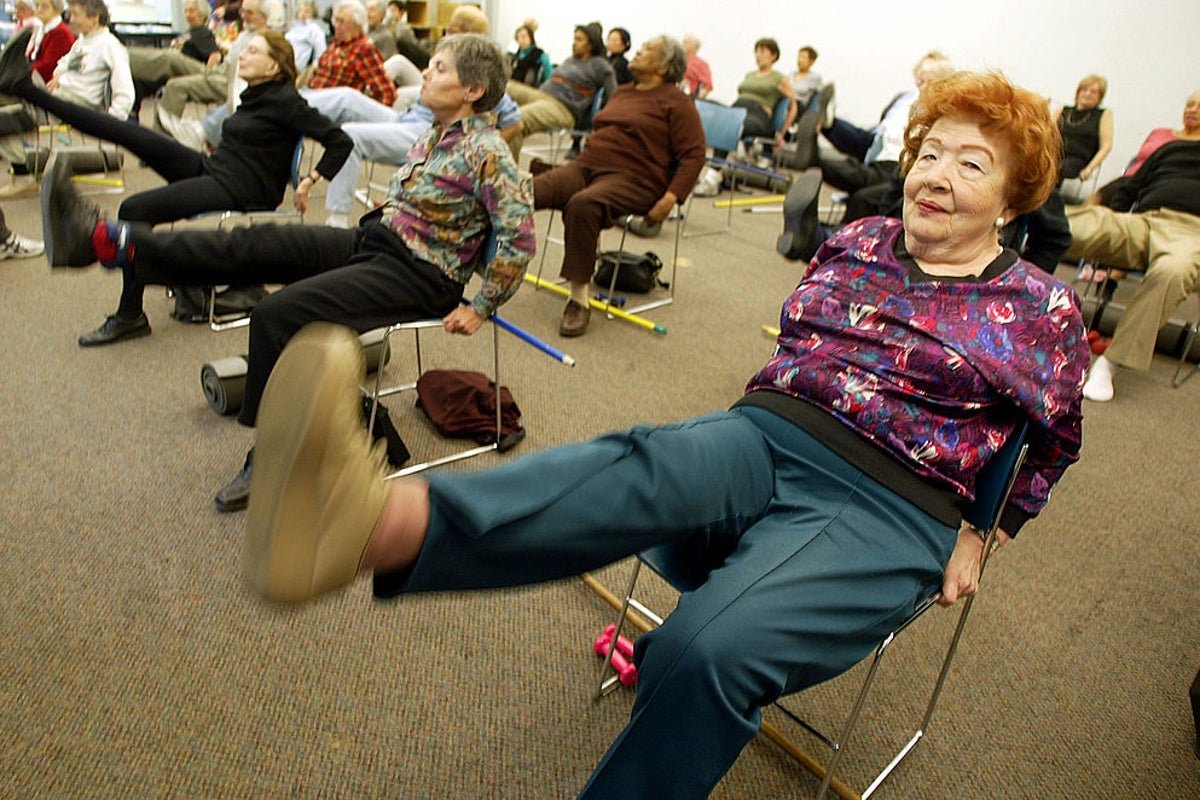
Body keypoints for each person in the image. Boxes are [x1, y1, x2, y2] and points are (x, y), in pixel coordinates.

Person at [237, 70, 1086, 799]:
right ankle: (367, 525)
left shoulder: (1041, 309)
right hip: (771, 433)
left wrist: (986, 533)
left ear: (1013, 198)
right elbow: (795, 351)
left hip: (895, 503)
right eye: (929, 152)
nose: (936, 174)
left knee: (704, 649)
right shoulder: (859, 240)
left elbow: (1051, 445)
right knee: (634, 466)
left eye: (971, 164)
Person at [40, 33, 534, 513]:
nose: (426, 72)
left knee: (276, 314)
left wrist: (480, 307)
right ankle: (108, 243)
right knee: (254, 243)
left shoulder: (488, 152)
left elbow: (519, 239)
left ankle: (272, 455)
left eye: (440, 68)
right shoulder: (435, 134)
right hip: (375, 245)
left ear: (473, 90)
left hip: (420, 276)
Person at [0, 27, 353, 345]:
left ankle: (129, 315)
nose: (243, 54)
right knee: (128, 131)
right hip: (215, 169)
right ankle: (25, 88)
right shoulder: (255, 94)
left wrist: (309, 181)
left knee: (135, 209)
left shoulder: (288, 102)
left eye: (254, 51)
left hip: (242, 188)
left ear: (274, 67)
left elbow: (339, 141)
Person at [533, 34, 704, 337]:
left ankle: (579, 301)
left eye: (646, 49)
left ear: (664, 67)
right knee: (527, 190)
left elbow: (694, 154)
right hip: (587, 165)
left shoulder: (677, 102)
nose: (637, 51)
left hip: (636, 178)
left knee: (583, 205)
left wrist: (671, 198)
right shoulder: (624, 91)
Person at [300, 4, 520, 228]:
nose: (448, 35)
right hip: (406, 118)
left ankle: (337, 220)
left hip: (422, 130)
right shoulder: (446, 66)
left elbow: (514, 123)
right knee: (347, 96)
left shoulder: (482, 82)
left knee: (349, 134)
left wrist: (468, 153)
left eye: (453, 31)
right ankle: (290, 102)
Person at [1069, 90, 1200, 403]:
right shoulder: (1170, 149)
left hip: (1191, 233)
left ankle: (1109, 364)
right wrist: (1106, 216)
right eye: (1189, 103)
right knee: (1069, 222)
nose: (1192, 109)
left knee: (1172, 271)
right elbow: (1129, 188)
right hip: (1144, 222)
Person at [0, 0, 133, 196]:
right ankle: (24, 172)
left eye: (76, 14)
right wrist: (62, 75)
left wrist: (111, 124)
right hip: (56, 99)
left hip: (72, 106)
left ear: (94, 17)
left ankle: (24, 177)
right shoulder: (84, 40)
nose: (71, 19)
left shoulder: (111, 47)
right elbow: (62, 64)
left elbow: (125, 90)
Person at [505, 23, 616, 150]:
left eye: (579, 40)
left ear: (591, 44)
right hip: (541, 95)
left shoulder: (601, 65)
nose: (574, 43)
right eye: (574, 39)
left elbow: (614, 95)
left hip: (562, 108)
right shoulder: (570, 60)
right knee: (501, 88)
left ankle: (503, 169)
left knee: (514, 121)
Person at [125, 0, 219, 119]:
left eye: (191, 11)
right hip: (167, 67)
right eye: (186, 11)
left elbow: (215, 55)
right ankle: (130, 116)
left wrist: (206, 76)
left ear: (202, 13)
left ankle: (131, 117)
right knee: (136, 78)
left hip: (176, 70)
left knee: (141, 78)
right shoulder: (189, 32)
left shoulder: (203, 33)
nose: (187, 15)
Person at [304, 0, 396, 108]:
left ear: (357, 25)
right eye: (335, 20)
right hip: (310, 95)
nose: (336, 26)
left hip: (330, 106)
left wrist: (367, 115)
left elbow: (387, 93)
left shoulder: (363, 49)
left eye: (342, 22)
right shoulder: (337, 44)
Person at [724, 37, 796, 158]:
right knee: (712, 113)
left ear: (773, 55)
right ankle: (714, 167)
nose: (758, 55)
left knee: (734, 124)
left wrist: (782, 133)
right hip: (737, 110)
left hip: (758, 116)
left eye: (762, 52)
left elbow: (793, 105)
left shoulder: (779, 78)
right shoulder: (749, 75)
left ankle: (737, 153)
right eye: (756, 52)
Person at [1056, 74, 1114, 205]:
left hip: (1078, 160)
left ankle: (1046, 204)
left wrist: (1089, 169)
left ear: (1100, 97)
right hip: (1055, 153)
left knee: (1056, 169)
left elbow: (1107, 146)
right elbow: (1047, 132)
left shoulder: (1103, 114)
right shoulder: (1063, 110)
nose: (1087, 94)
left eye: (1093, 92)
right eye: (1084, 90)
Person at [28, 0, 75, 84]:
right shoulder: (42, 29)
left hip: (46, 84)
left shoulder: (61, 33)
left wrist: (23, 71)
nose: (38, 9)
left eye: (44, 6)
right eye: (36, 6)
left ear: (57, 9)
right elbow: (31, 57)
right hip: (36, 78)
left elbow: (47, 68)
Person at [286, 0, 328, 72]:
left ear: (313, 13)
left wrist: (310, 71)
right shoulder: (293, 29)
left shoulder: (315, 30)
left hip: (301, 70)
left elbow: (321, 53)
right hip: (287, 64)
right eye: (301, 10)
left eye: (307, 11)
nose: (303, 14)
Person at [680, 33, 711, 99]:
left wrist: (697, 101)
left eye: (685, 42)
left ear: (693, 46)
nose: (681, 44)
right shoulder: (676, 60)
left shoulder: (701, 64)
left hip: (687, 98)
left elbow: (708, 86)